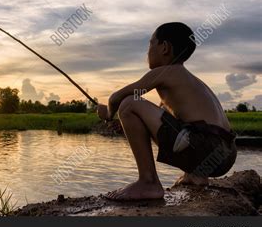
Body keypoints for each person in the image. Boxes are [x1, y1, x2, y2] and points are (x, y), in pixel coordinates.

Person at [97, 22, 236, 201]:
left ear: (164, 48)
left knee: (129, 103)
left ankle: (148, 182)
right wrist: (127, 123)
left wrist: (108, 114)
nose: (147, 52)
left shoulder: (166, 72)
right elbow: (175, 124)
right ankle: (196, 175)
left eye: (150, 44)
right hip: (227, 154)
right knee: (172, 121)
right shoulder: (190, 81)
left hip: (206, 148)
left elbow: (117, 98)